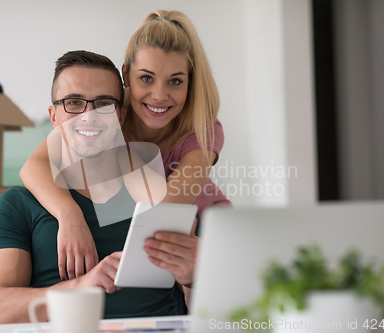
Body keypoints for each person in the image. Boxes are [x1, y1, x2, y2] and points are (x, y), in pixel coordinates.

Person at [0, 50, 198, 324]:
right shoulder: (17, 205)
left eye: (104, 103)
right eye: (73, 102)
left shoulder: (160, 198)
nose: (89, 115)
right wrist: (79, 288)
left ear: (120, 116)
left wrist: (193, 279)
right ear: (54, 116)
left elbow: (210, 309)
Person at [20, 9, 231, 282]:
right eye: (146, 78)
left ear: (190, 83)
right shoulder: (107, 112)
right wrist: (69, 216)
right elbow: (33, 166)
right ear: (126, 75)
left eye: (175, 81)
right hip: (143, 231)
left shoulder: (202, 129)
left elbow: (163, 214)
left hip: (198, 228)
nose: (159, 95)